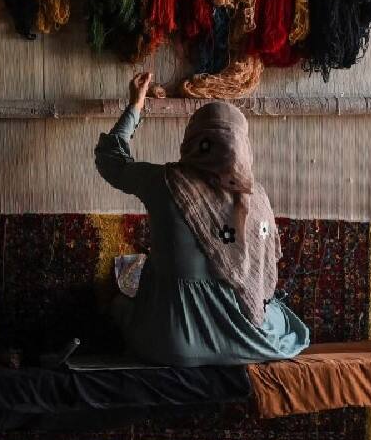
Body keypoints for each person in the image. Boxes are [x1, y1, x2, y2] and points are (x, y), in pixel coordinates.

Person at [95, 72, 310, 367]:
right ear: (241, 146)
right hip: (244, 342)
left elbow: (111, 160)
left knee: (119, 305)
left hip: (170, 345)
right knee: (284, 318)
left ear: (193, 140)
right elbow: (261, 281)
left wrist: (136, 106)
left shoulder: (165, 182)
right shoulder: (257, 198)